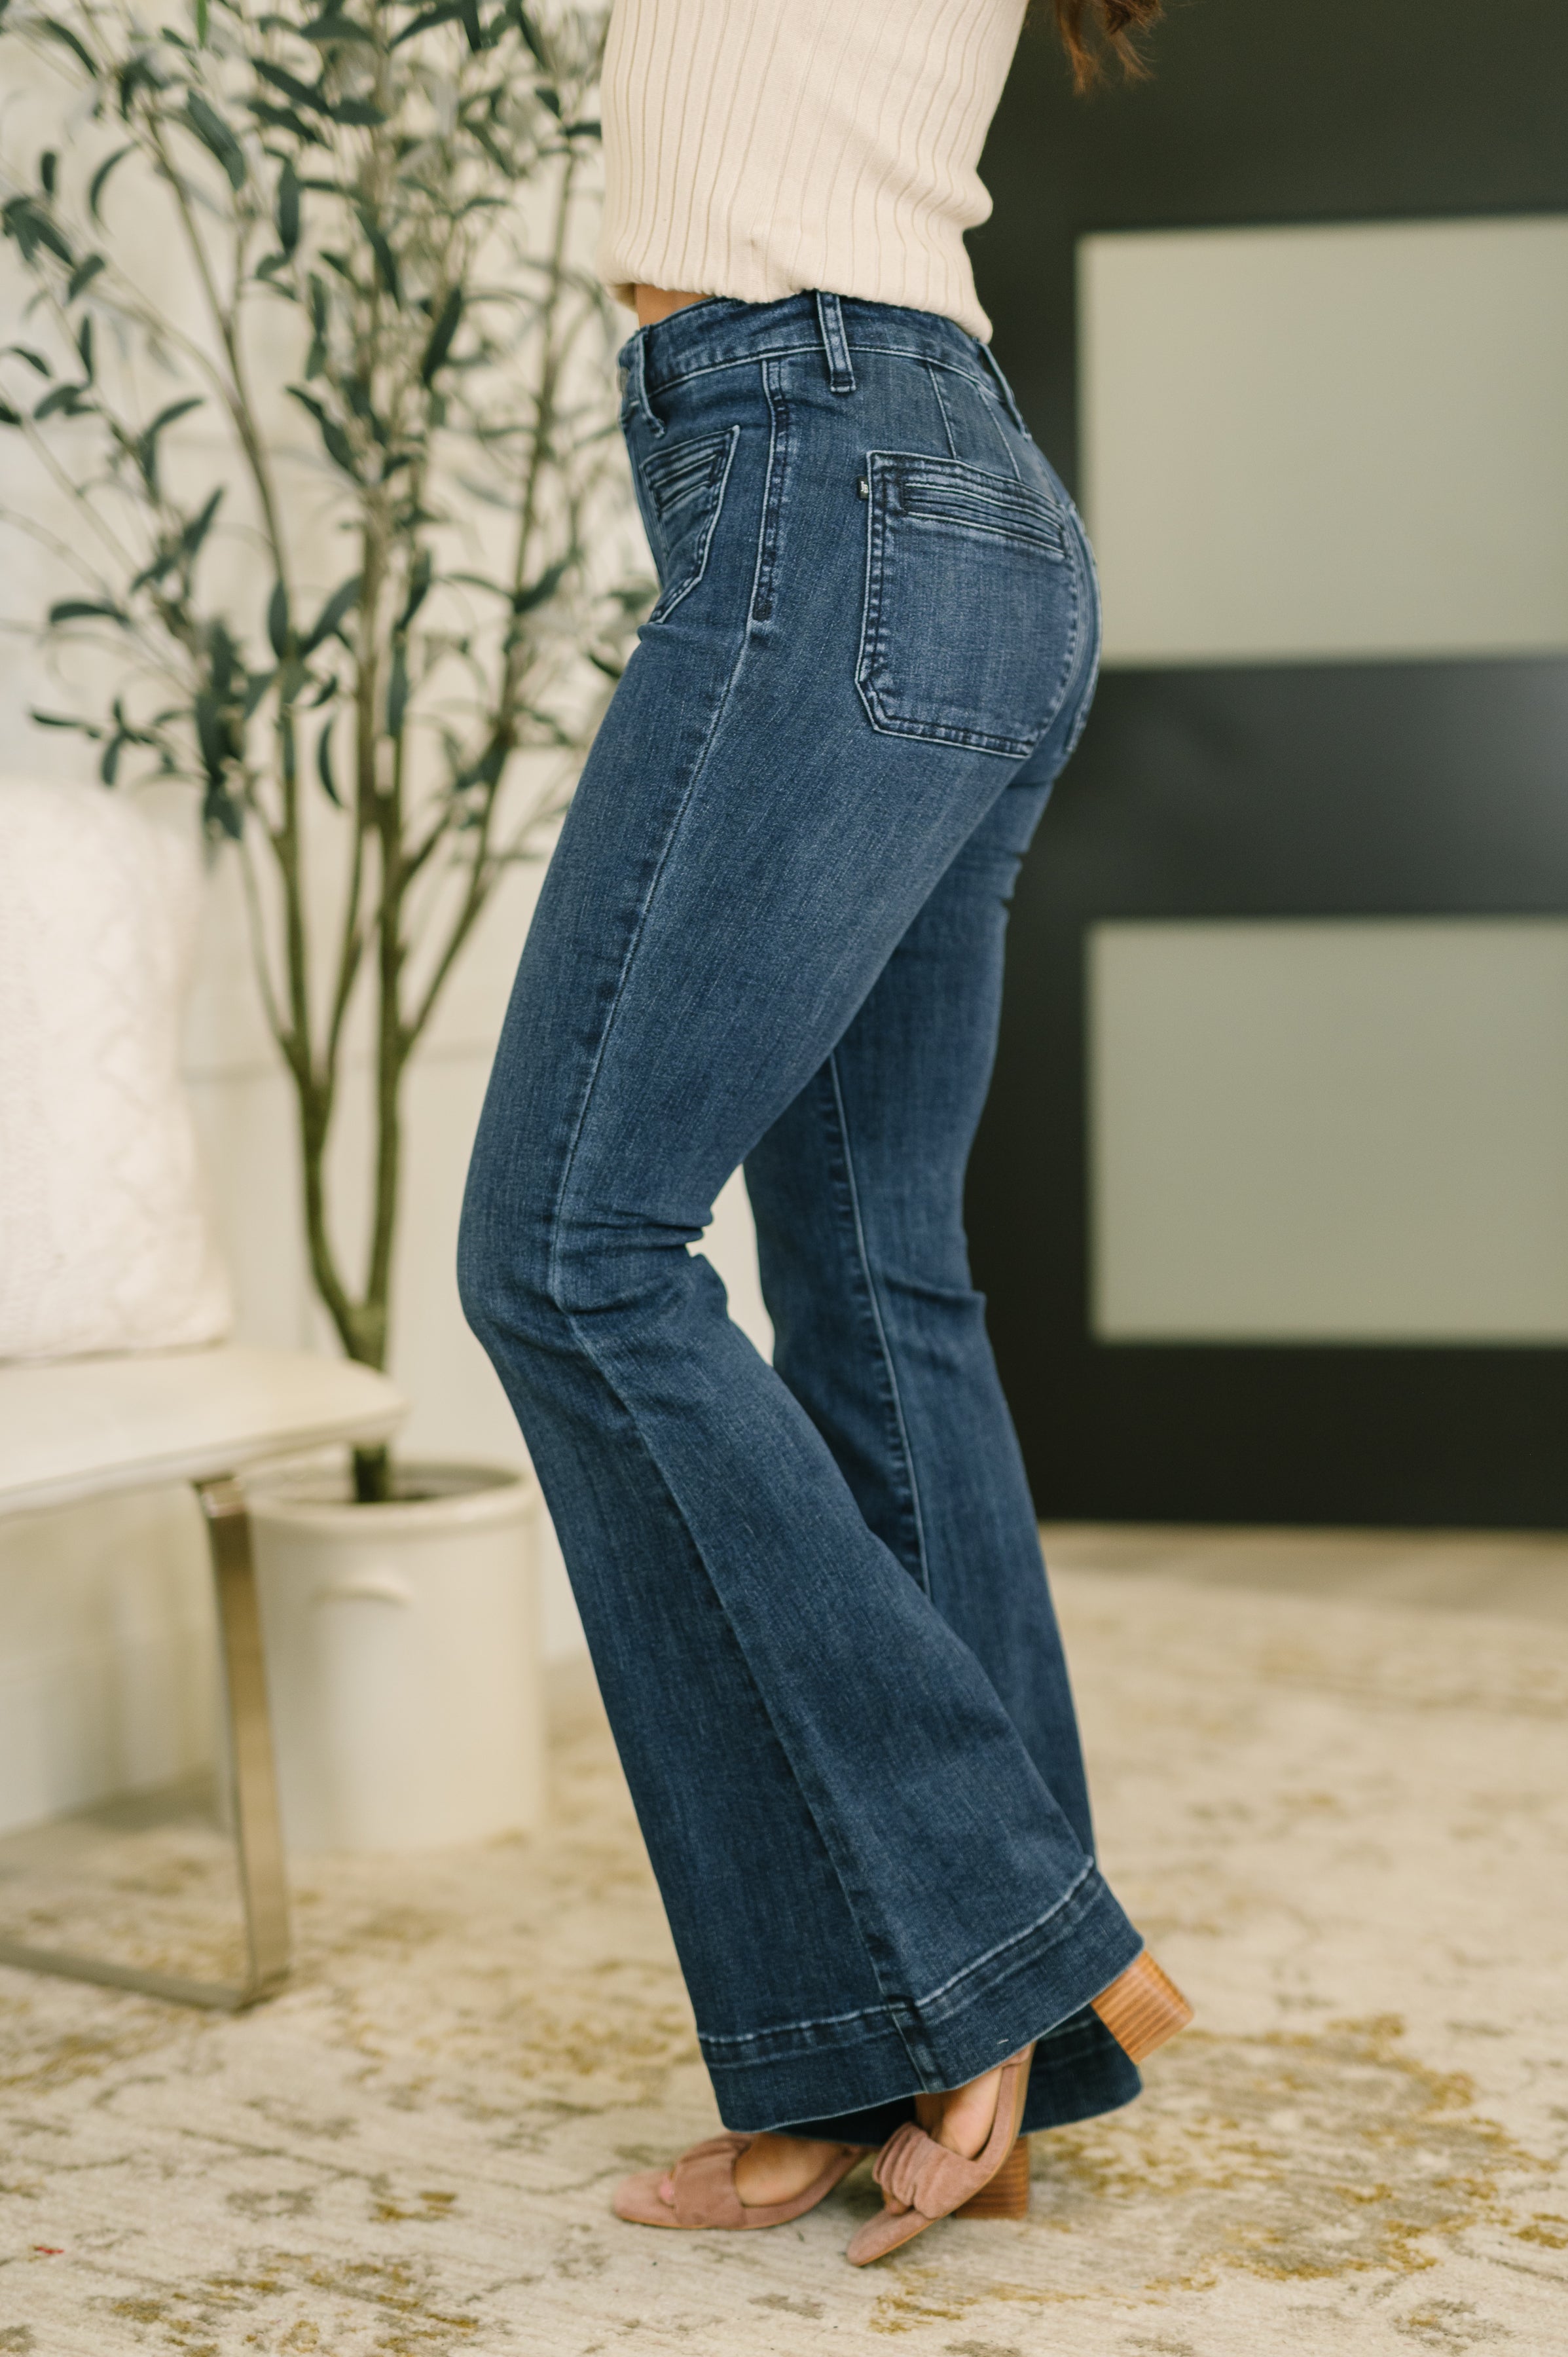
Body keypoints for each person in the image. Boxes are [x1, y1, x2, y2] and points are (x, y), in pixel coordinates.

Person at [460, 0, 1187, 2267]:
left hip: (832, 462)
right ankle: (910, 2046)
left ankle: (995, 1929)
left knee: (567, 1251)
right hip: (918, 495)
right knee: (873, 1283)